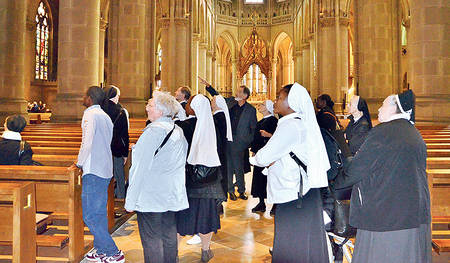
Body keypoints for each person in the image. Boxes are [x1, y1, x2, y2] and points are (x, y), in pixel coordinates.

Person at [333, 90, 431, 263]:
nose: (379, 109)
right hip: (411, 215)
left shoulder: (383, 132)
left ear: (394, 110)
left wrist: (336, 182)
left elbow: (359, 168)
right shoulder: (414, 133)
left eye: (383, 105)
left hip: (385, 216)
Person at [249, 83, 330, 262]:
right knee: (301, 242)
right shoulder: (295, 123)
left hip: (294, 196)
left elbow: (264, 156)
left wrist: (253, 159)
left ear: (291, 102)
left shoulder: (290, 126)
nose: (276, 101)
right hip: (301, 194)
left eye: (279, 97)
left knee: (292, 244)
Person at [125, 91, 189, 263]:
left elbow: (140, 169)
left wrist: (130, 200)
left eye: (150, 105)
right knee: (168, 235)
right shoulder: (178, 130)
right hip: (170, 195)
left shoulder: (153, 132)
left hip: (152, 196)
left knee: (152, 239)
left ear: (160, 112)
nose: (146, 108)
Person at [74, 86, 124, 263]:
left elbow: (86, 143)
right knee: (99, 213)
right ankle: (101, 249)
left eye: (85, 95)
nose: (83, 97)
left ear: (90, 98)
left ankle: (113, 252)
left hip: (93, 169)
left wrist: (79, 162)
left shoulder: (90, 114)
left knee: (89, 215)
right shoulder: (105, 116)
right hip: (105, 168)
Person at [176, 94, 226, 262]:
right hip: (209, 182)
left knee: (182, 217)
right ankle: (205, 252)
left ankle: (173, 253)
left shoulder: (183, 126)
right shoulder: (213, 126)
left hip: (188, 180)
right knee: (206, 217)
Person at [199, 76, 257, 201]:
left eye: (240, 92)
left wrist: (247, 140)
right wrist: (209, 86)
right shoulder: (231, 102)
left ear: (245, 96)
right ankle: (230, 190)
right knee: (229, 166)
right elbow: (219, 98)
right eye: (237, 91)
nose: (237, 93)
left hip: (240, 141)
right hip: (228, 139)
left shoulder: (251, 110)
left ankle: (241, 190)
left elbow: (254, 127)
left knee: (239, 166)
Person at [249, 100, 278, 214]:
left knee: (271, 179)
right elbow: (255, 138)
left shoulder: (274, 121)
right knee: (259, 178)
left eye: (262, 105)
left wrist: (268, 135)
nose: (259, 106)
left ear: (268, 108)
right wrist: (254, 151)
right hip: (260, 154)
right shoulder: (260, 122)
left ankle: (275, 204)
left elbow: (277, 137)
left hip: (270, 155)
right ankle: (261, 202)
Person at [102, 85, 129, 200]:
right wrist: (125, 153)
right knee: (119, 172)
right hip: (116, 147)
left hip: (103, 148)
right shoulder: (120, 111)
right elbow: (124, 134)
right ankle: (121, 196)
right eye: (118, 95)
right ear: (114, 96)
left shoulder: (99, 110)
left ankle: (106, 195)